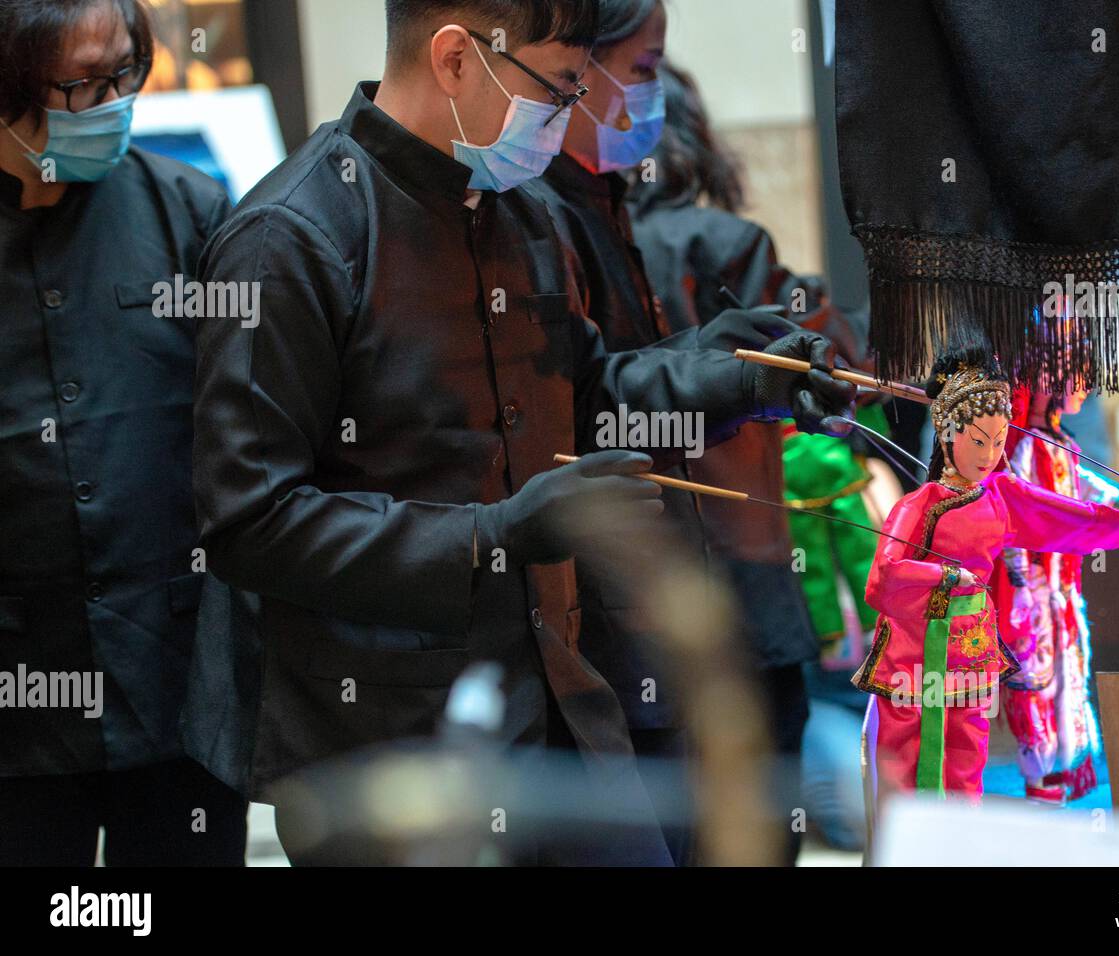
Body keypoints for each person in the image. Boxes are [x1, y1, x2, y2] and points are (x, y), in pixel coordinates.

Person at [181, 0, 854, 865]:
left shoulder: (522, 211)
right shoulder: (291, 239)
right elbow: (251, 521)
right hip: (388, 741)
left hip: (563, 702)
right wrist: (489, 536)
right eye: (558, 87)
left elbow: (581, 394)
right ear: (457, 57)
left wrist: (727, 378)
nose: (569, 113)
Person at [0, 0, 246, 866]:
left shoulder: (191, 211)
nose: (113, 103)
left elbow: (254, 438)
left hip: (179, 689)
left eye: (124, 76)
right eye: (81, 85)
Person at [628, 60, 880, 862]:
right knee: (762, 819)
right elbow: (841, 376)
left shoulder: (573, 247)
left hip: (625, 587)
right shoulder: (725, 243)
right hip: (744, 572)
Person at [521, 0, 700, 864]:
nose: (656, 91)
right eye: (643, 67)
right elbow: (597, 404)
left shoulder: (600, 196)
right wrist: (718, 377)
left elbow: (618, 378)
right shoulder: (538, 209)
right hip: (593, 626)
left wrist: (727, 365)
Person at [852, 347, 1119, 798]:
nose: (990, 454)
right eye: (978, 441)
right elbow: (884, 579)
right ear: (948, 435)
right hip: (918, 653)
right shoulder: (917, 507)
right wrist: (945, 578)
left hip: (972, 645)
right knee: (913, 761)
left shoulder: (1001, 495)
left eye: (997, 440)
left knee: (967, 756)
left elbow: (1070, 517)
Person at [993, 382, 1119, 804]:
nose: (1084, 387)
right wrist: (1018, 581)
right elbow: (1019, 509)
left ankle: (1064, 768)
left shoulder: (1059, 442)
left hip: (1063, 587)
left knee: (1070, 671)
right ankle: (1039, 778)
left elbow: (1083, 486)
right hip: (1032, 586)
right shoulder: (1026, 449)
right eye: (1074, 375)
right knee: (1036, 678)